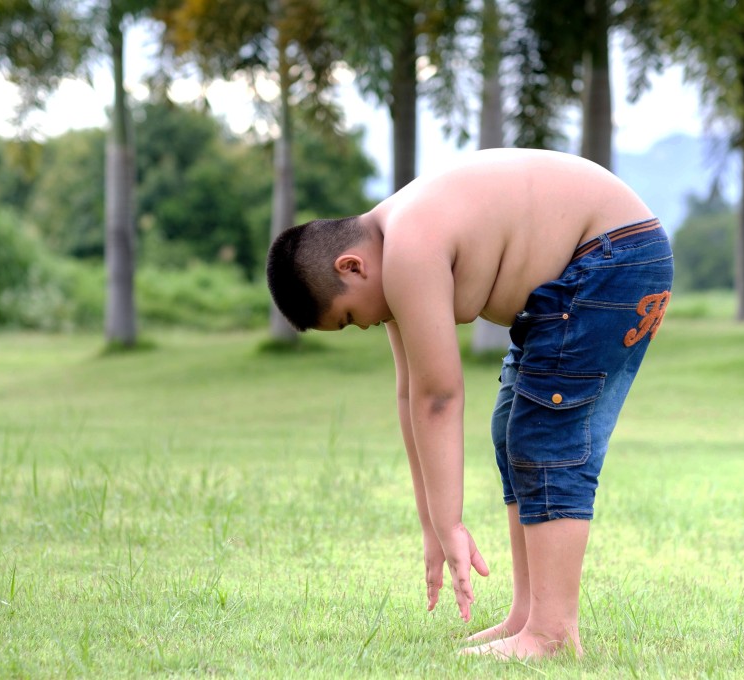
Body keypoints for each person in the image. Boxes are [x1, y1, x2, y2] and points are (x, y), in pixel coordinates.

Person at [266, 148, 673, 659]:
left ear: (351, 266)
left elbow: (440, 396)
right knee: (512, 426)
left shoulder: (410, 244)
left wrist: (453, 522)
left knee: (546, 435)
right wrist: (434, 525)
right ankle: (528, 617)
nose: (365, 326)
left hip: (614, 255)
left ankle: (552, 634)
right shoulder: (394, 242)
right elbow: (412, 392)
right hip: (602, 258)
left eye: (349, 317)